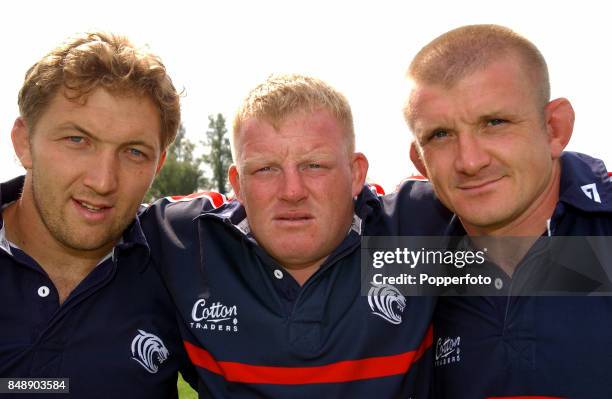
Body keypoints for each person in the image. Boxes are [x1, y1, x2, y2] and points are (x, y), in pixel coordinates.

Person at [141, 73, 451, 398]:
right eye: (265, 169)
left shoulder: (416, 229)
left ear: (356, 173)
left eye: (314, 165)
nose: (292, 191)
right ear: (237, 184)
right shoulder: (187, 242)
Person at [404, 24, 612, 398]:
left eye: (494, 123)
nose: (470, 161)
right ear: (420, 160)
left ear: (554, 128)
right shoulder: (400, 247)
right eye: (441, 135)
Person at [0, 32, 195, 398]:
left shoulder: (182, 268)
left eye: (134, 152)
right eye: (77, 140)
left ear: (158, 165)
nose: (103, 181)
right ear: (24, 142)